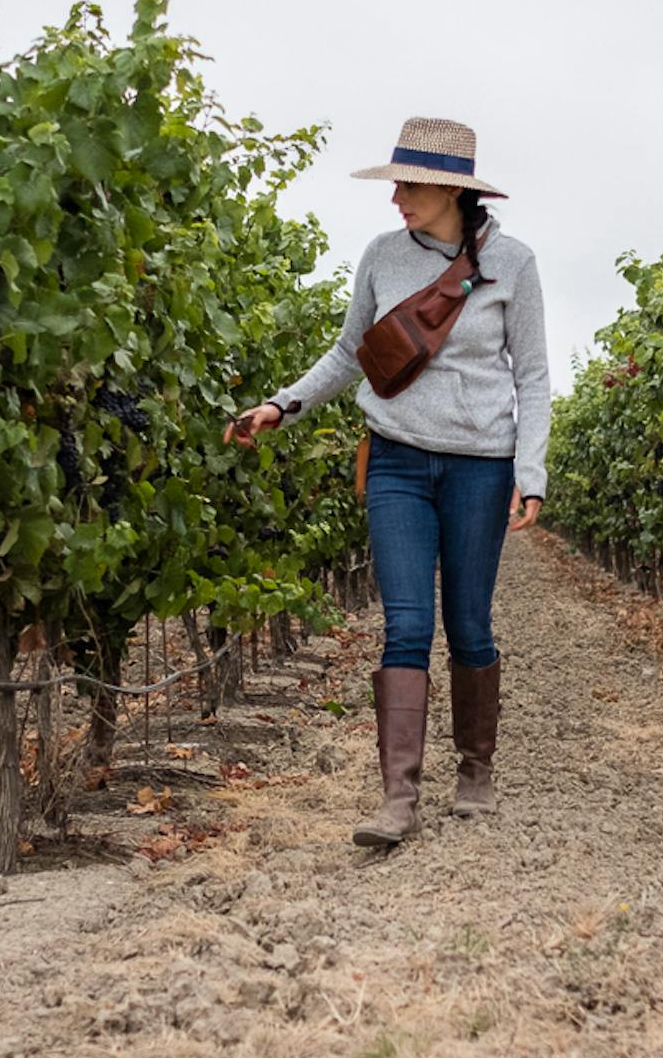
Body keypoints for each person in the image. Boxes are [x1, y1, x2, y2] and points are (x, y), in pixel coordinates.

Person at [225, 117, 550, 847]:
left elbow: (532, 375)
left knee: (468, 623)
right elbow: (351, 352)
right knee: (405, 622)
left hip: (479, 464)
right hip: (397, 459)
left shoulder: (513, 264)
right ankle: (398, 797)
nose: (395, 197)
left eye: (407, 184)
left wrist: (530, 472)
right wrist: (283, 403)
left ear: (448, 189)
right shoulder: (381, 256)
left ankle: (475, 769)